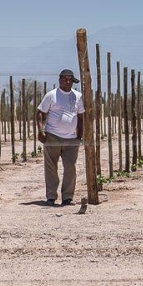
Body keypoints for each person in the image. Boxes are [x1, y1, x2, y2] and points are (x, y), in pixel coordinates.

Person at [36, 69, 85, 206]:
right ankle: (51, 196)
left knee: (70, 168)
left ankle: (67, 197)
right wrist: (41, 130)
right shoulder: (51, 95)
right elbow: (40, 113)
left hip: (71, 139)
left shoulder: (77, 96)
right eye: (65, 79)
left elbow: (80, 117)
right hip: (53, 137)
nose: (67, 82)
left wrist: (79, 136)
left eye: (70, 80)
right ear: (60, 80)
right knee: (51, 167)